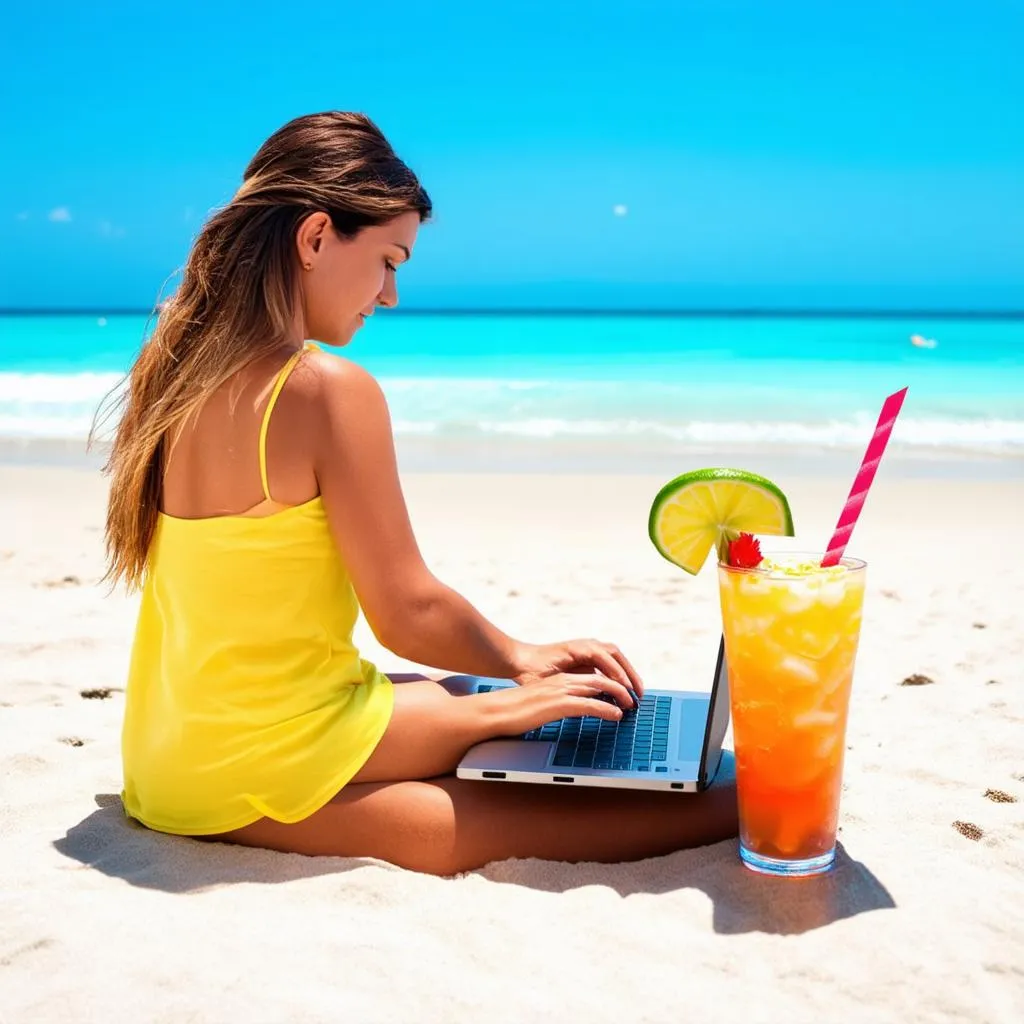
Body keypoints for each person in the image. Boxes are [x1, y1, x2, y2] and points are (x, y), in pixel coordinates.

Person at [99, 111, 737, 876]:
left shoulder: (174, 368)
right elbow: (404, 611)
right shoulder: (325, 391)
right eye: (388, 260)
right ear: (314, 238)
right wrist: (515, 666)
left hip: (171, 748)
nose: (391, 294)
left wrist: (497, 683)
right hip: (253, 765)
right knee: (728, 797)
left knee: (464, 698)